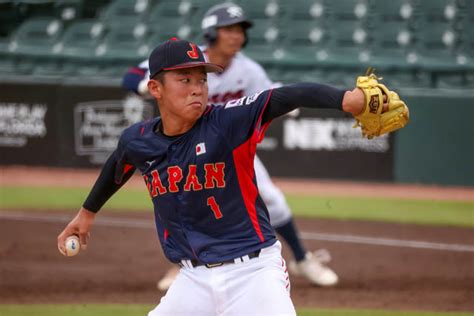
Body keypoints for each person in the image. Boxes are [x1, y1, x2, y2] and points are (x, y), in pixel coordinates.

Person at [58, 36, 373, 315]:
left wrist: (346, 100)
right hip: (192, 280)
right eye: (185, 79)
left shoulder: (228, 122)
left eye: (202, 79)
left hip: (254, 274)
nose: (197, 88)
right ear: (155, 88)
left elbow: (286, 96)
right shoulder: (139, 140)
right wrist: (87, 214)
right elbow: (119, 163)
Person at [122, 2, 338, 291]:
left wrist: (288, 103)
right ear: (212, 32)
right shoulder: (187, 58)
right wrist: (145, 86)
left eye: (240, 30)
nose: (237, 36)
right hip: (183, 146)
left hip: (229, 151)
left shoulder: (248, 70)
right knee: (179, 202)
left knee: (272, 199)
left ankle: (301, 258)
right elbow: (131, 76)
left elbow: (268, 96)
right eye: (229, 29)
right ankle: (180, 268)